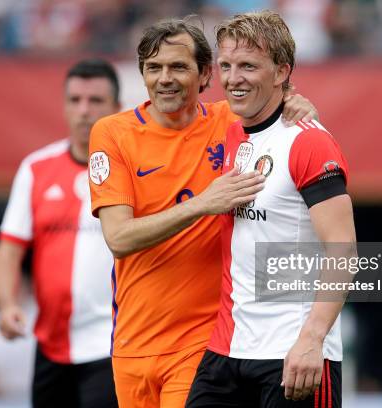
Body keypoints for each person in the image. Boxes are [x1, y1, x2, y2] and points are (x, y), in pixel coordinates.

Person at [89, 17, 318, 408]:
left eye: (178, 67)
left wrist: (296, 103)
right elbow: (119, 238)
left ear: (205, 74)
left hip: (204, 343)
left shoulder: (233, 122)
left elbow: (280, 113)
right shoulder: (112, 134)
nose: (165, 78)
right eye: (153, 67)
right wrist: (203, 204)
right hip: (131, 343)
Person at [186, 11, 356, 406]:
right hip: (227, 352)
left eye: (248, 66)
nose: (233, 78)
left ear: (281, 72)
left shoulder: (310, 142)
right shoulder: (227, 133)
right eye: (226, 66)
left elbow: (343, 250)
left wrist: (312, 340)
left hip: (294, 355)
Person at [0, 59, 120, 408]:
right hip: (49, 345)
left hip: (112, 346)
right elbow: (9, 249)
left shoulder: (133, 172)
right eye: (75, 100)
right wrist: (7, 305)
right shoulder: (36, 168)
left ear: (117, 108)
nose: (84, 111)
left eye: (96, 101)